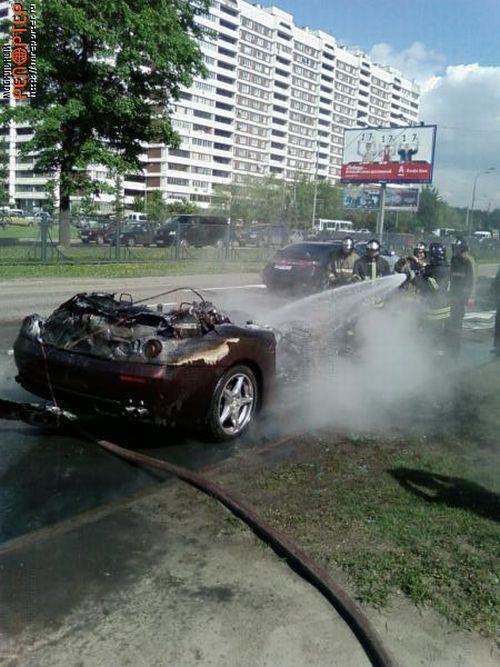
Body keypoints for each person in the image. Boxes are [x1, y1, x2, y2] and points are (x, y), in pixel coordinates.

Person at [414, 241, 451, 350]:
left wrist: (416, 279)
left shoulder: (439, 270)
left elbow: (433, 287)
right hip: (442, 308)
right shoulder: (443, 268)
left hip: (437, 310)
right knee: (437, 336)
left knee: (433, 337)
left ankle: (435, 357)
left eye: (430, 255)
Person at [447, 239, 477, 352]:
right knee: (451, 318)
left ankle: (455, 345)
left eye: (457, 248)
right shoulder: (454, 260)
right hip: (454, 293)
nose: (454, 250)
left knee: (457, 319)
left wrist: (471, 296)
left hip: (462, 295)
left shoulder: (468, 261)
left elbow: (472, 280)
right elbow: (451, 276)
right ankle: (450, 340)